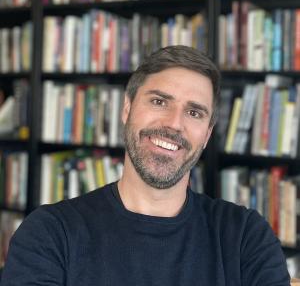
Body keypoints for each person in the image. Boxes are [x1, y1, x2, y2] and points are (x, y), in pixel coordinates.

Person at [1, 45, 290, 285]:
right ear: (127, 109)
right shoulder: (50, 234)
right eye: (159, 102)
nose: (174, 124)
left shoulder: (246, 237)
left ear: (207, 134)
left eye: (194, 112)